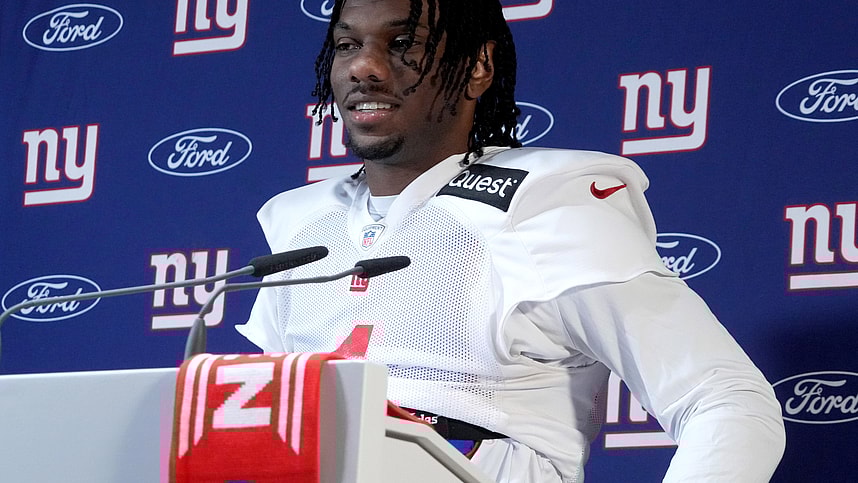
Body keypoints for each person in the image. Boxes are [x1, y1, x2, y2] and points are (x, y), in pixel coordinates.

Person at [237, 0, 786, 481]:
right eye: (347, 45)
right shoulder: (301, 223)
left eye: (403, 44)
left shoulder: (546, 205)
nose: (364, 67)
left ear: (478, 66)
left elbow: (728, 400)